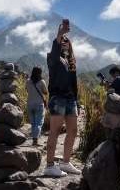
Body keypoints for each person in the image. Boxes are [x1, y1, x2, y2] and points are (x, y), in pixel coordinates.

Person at [44, 19, 81, 177]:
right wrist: (60, 34)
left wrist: (77, 100)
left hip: (70, 98)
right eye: (62, 41)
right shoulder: (53, 59)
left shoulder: (71, 62)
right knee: (55, 131)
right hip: (58, 97)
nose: (64, 42)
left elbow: (74, 83)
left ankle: (65, 163)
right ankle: (49, 165)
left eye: (67, 41)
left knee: (73, 130)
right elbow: (56, 46)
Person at [26, 66, 48, 146]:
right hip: (39, 104)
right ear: (40, 73)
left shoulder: (28, 81)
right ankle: (35, 140)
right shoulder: (41, 81)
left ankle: (34, 139)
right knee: (39, 123)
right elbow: (45, 92)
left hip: (30, 104)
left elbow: (27, 90)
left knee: (33, 123)